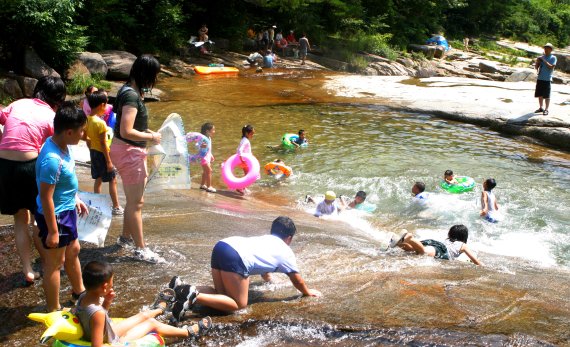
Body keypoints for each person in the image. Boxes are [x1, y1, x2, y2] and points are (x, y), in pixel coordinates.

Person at [168, 216, 321, 319]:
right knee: (238, 305)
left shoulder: (267, 239)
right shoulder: (286, 252)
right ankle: (195, 296)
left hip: (222, 246)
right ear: (289, 238)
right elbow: (297, 280)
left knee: (222, 295)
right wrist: (308, 292)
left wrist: (268, 279)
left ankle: (182, 288)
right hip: (236, 256)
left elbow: (265, 266)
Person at [0, 76, 66, 285]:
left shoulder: (18, 103)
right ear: (58, 98)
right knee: (39, 217)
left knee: (20, 219)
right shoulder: (50, 115)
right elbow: (57, 148)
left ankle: (28, 270)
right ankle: (49, 263)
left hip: (3, 164)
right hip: (29, 166)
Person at [75, 261, 212, 346]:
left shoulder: (83, 297)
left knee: (143, 315)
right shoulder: (97, 313)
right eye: (111, 284)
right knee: (152, 324)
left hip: (108, 330)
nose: (112, 287)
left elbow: (93, 321)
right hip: (111, 339)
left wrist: (107, 301)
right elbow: (97, 344)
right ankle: (187, 332)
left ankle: (159, 309)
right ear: (104, 287)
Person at [34, 102, 89, 311]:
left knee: (74, 249)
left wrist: (74, 197)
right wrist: (53, 232)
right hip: (55, 216)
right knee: (54, 264)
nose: (83, 135)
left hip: (66, 209)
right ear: (68, 131)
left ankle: (79, 292)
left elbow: (63, 181)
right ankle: (53, 309)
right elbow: (46, 196)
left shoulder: (63, 146)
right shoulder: (51, 159)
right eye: (81, 131)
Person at [110, 54, 162, 263]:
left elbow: (127, 126)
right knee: (136, 203)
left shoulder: (127, 90)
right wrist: (151, 136)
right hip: (129, 152)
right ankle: (141, 249)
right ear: (146, 74)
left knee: (133, 201)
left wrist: (147, 131)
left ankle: (125, 238)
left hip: (125, 150)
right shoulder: (132, 96)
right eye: (154, 76)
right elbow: (127, 130)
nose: (154, 81)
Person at [83, 90, 123, 215]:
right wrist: (109, 161)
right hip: (102, 153)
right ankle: (116, 206)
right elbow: (103, 144)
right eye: (106, 105)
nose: (107, 108)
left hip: (94, 152)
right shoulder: (100, 123)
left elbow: (85, 137)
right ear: (101, 105)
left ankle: (96, 204)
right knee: (113, 180)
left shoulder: (88, 120)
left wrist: (91, 148)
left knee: (98, 179)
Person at [390, 225, 482, 265]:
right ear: (464, 236)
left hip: (434, 242)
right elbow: (475, 261)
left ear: (450, 234)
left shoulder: (447, 240)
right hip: (442, 250)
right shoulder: (462, 245)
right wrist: (483, 266)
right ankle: (410, 238)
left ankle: (400, 243)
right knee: (423, 252)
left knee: (413, 250)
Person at [534, 43, 557, 116]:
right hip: (540, 78)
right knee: (540, 94)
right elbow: (536, 67)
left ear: (551, 49)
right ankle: (541, 107)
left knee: (547, 95)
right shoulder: (542, 57)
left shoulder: (553, 58)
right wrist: (537, 62)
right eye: (545, 48)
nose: (545, 49)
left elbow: (551, 67)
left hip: (547, 79)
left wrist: (544, 60)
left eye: (547, 48)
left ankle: (546, 109)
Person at [235, 125, 255, 195]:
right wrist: (242, 159)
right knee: (247, 174)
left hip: (244, 159)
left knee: (247, 173)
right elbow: (240, 150)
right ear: (246, 133)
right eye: (251, 133)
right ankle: (240, 187)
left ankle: (243, 187)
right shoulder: (245, 141)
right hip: (244, 160)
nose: (253, 135)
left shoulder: (244, 140)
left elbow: (239, 149)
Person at [198, 122, 216, 193]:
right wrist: (201, 146)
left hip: (207, 157)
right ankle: (209, 187)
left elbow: (209, 149)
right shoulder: (203, 139)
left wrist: (211, 155)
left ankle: (202, 185)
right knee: (209, 171)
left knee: (205, 172)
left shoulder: (209, 138)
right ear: (207, 131)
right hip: (203, 158)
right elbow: (199, 146)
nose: (214, 131)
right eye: (213, 130)